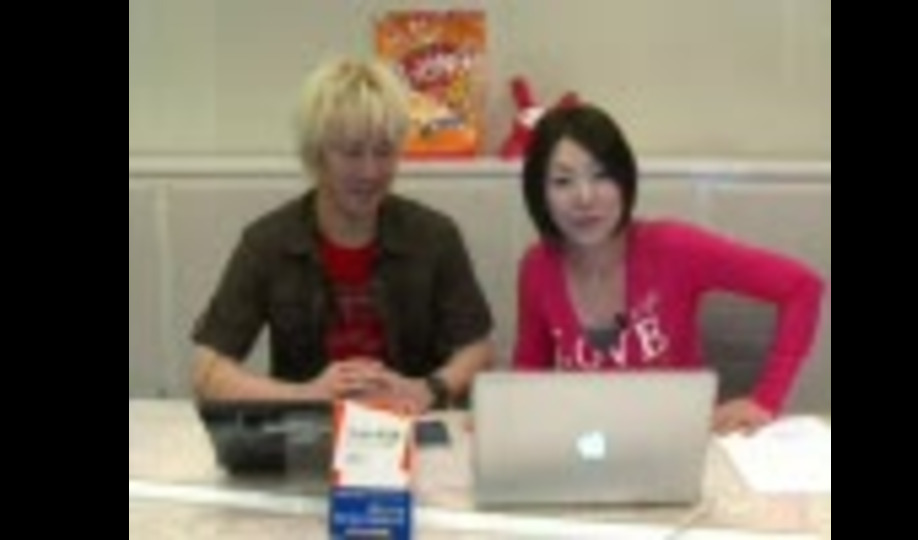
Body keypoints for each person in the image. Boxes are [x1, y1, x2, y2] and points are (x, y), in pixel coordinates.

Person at [191, 57, 495, 414]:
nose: (370, 172)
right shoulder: (267, 243)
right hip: (308, 433)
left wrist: (427, 389)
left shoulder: (435, 236)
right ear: (317, 154)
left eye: (384, 152)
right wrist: (306, 395)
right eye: (352, 153)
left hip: (413, 429)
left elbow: (479, 350)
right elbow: (208, 373)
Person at [513, 103, 824, 434]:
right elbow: (529, 375)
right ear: (539, 193)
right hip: (589, 441)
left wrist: (766, 400)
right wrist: (513, 422)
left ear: (624, 181)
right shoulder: (538, 267)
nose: (585, 197)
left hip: (679, 439)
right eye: (563, 181)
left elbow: (803, 287)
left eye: (601, 176)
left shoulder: (673, 247)